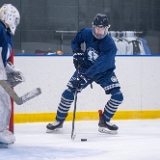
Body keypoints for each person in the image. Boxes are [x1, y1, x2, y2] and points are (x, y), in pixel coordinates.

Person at [46, 13, 124, 134]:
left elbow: (100, 65)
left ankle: (104, 120)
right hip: (85, 67)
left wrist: (84, 77)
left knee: (118, 96)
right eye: (97, 28)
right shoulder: (86, 33)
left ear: (106, 28)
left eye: (102, 28)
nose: (99, 31)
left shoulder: (110, 45)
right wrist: (77, 52)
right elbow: (75, 41)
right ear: (93, 27)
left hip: (104, 72)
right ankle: (59, 120)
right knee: (68, 93)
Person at [0, 4, 23, 146]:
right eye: (13, 18)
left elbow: (4, 58)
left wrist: (12, 70)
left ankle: (2, 129)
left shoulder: (6, 32)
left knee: (6, 104)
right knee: (3, 104)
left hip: (1, 73)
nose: (15, 22)